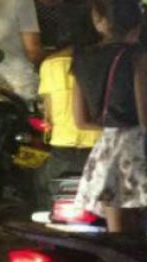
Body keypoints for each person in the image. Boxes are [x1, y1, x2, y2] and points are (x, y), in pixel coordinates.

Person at [72, 0, 147, 232]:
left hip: (105, 151)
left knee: (117, 239)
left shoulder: (81, 58)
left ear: (97, 18)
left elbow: (80, 120)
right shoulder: (140, 57)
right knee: (142, 237)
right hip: (137, 152)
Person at [36, 14, 101, 208]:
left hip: (62, 151)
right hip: (98, 149)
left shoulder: (50, 64)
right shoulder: (101, 61)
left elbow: (47, 114)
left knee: (42, 189)